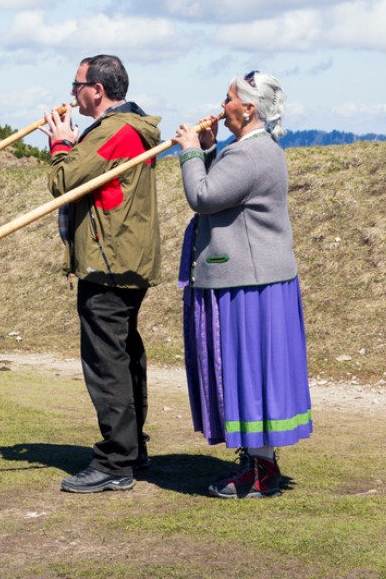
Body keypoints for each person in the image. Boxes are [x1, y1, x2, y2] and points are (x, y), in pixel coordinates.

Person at [171, 71, 312, 499]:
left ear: (248, 108)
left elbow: (205, 196)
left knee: (248, 369)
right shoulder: (249, 151)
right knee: (248, 369)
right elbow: (225, 191)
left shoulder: (250, 154)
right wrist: (212, 148)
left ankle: (260, 467)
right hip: (254, 279)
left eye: (229, 97)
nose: (222, 103)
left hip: (248, 284)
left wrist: (192, 153)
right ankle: (257, 460)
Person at [44, 54, 163, 493]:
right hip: (125, 258)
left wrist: (60, 145)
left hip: (109, 261)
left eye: (77, 85)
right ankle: (132, 449)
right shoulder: (128, 128)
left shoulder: (115, 132)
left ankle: (115, 461)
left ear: (97, 89)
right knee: (125, 355)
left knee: (107, 362)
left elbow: (65, 181)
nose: (73, 93)